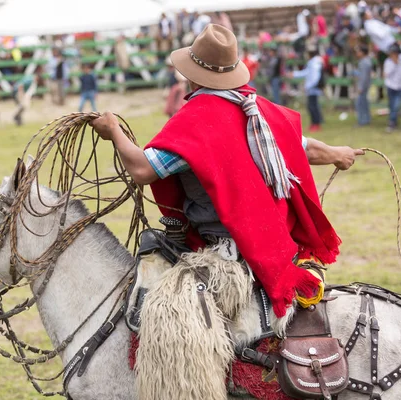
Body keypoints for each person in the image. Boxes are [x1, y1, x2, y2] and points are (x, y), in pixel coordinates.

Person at [90, 26, 361, 336]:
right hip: (279, 243)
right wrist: (338, 153)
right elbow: (303, 146)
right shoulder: (259, 110)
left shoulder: (193, 123)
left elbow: (142, 170)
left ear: (191, 76)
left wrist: (114, 131)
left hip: (223, 253)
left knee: (161, 320)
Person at [290, 49, 325, 132]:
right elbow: (306, 73)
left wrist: (308, 86)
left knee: (312, 106)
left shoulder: (314, 63)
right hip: (312, 88)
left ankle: (316, 124)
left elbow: (315, 77)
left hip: (313, 88)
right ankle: (315, 123)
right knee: (312, 106)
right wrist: (295, 74)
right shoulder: (313, 63)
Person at [354, 46, 373, 126]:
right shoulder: (365, 61)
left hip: (363, 86)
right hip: (365, 85)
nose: (357, 53)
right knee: (364, 103)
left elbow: (364, 76)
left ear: (362, 52)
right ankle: (366, 119)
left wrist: (360, 87)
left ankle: (362, 121)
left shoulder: (365, 62)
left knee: (360, 104)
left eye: (359, 51)